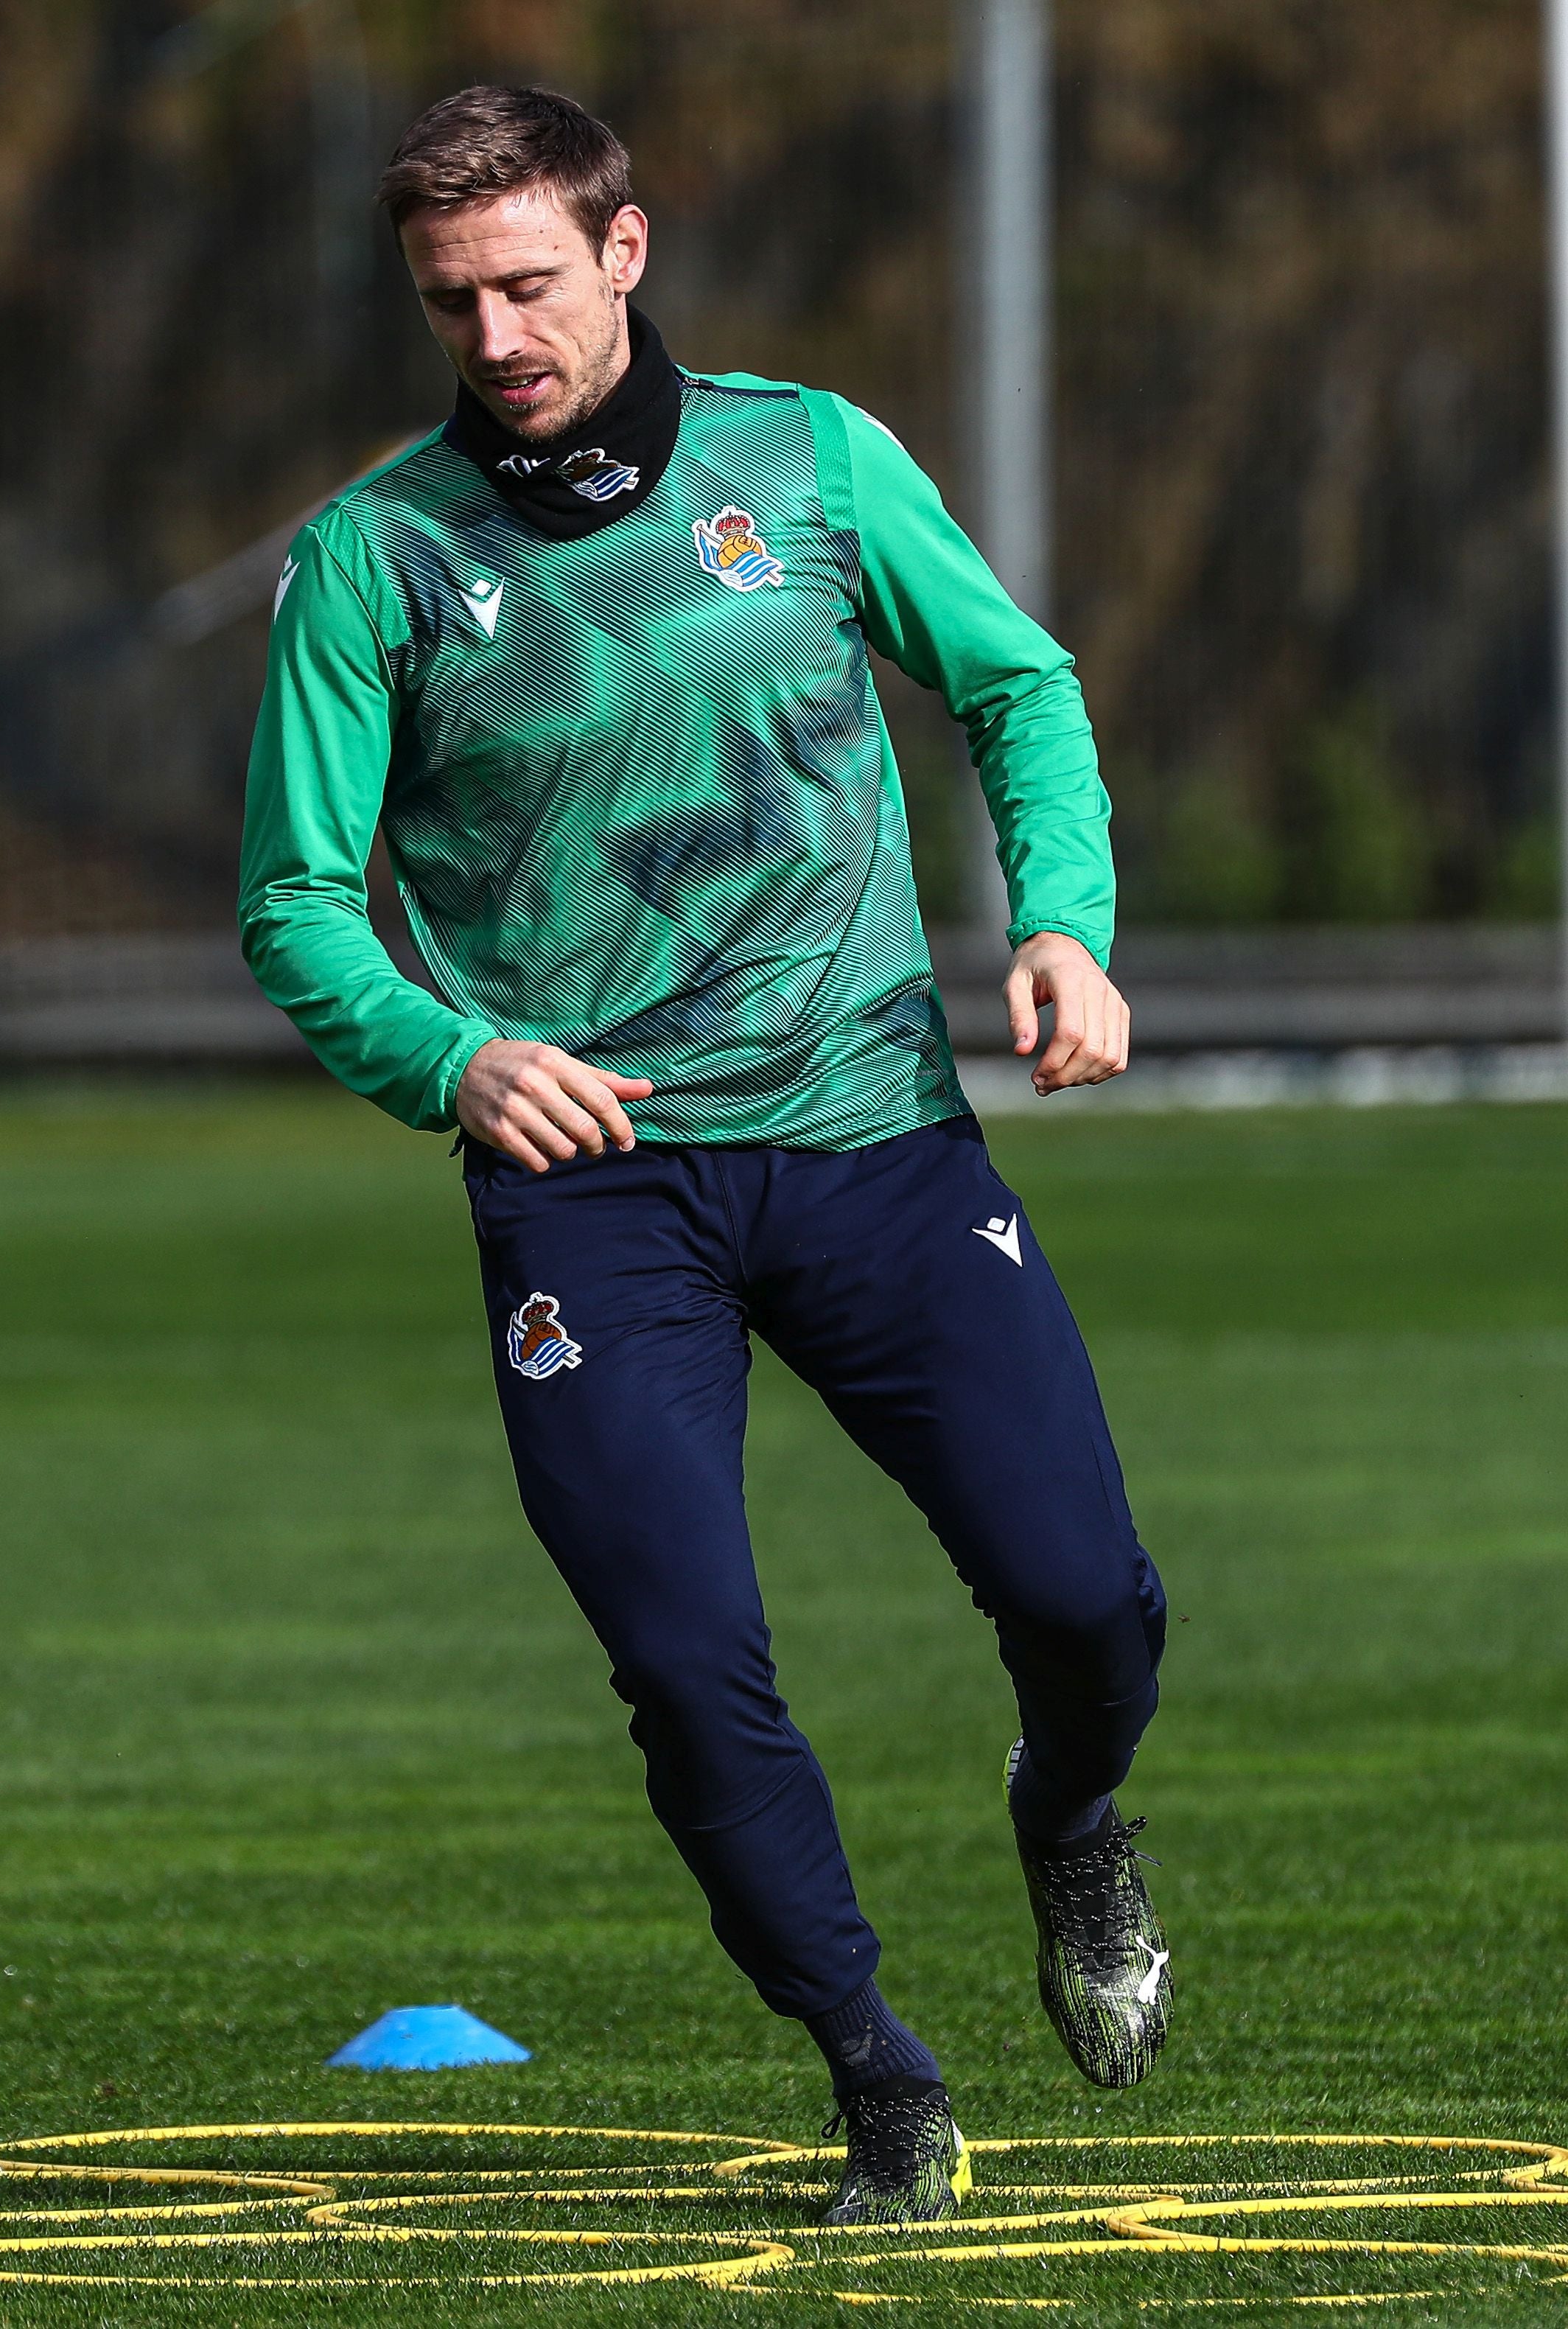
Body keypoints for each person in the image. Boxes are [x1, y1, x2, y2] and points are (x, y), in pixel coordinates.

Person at [239, 83, 1170, 2224]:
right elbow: (296, 900)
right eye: (451, 298)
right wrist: (448, 1056)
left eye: (530, 282)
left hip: (871, 1139)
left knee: (1082, 1598)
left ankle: (1076, 1804)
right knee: (679, 1653)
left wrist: (1065, 925)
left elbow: (1019, 689)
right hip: (590, 1189)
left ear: (628, 251)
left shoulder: (814, 460)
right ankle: (879, 2075)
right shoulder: (375, 557)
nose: (493, 334)